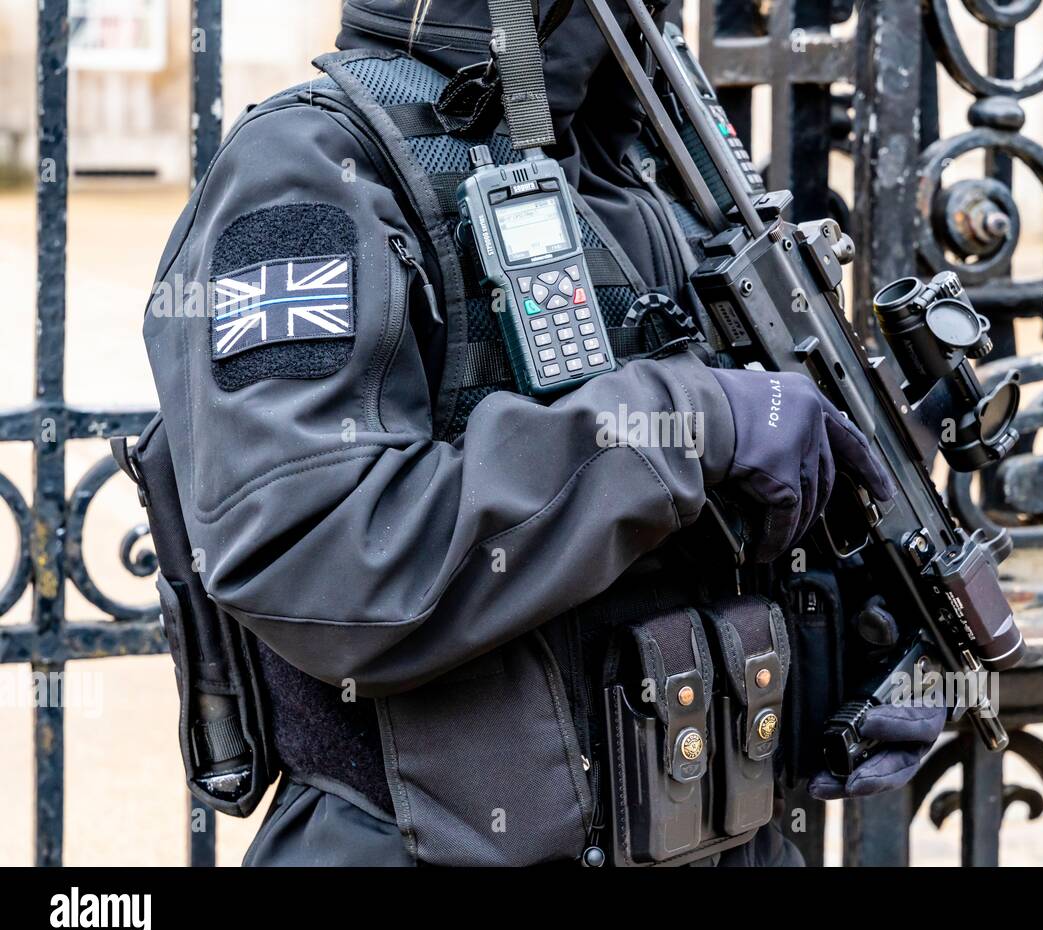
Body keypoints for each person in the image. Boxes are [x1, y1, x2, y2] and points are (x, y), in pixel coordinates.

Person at [141, 0, 944, 867]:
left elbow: (678, 550)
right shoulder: (308, 173)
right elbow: (319, 553)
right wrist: (679, 427)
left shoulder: (652, 169)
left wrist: (849, 636)